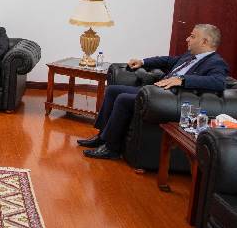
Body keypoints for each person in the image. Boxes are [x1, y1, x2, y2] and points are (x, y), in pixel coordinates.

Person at [79, 24, 229, 159]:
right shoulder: (190, 56)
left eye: (192, 36)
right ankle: (102, 136)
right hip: (155, 91)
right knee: (112, 90)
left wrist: (183, 80)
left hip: (168, 99)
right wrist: (143, 62)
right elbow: (167, 61)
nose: (187, 39)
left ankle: (111, 148)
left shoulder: (216, 62)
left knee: (123, 99)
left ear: (205, 41)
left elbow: (218, 82)